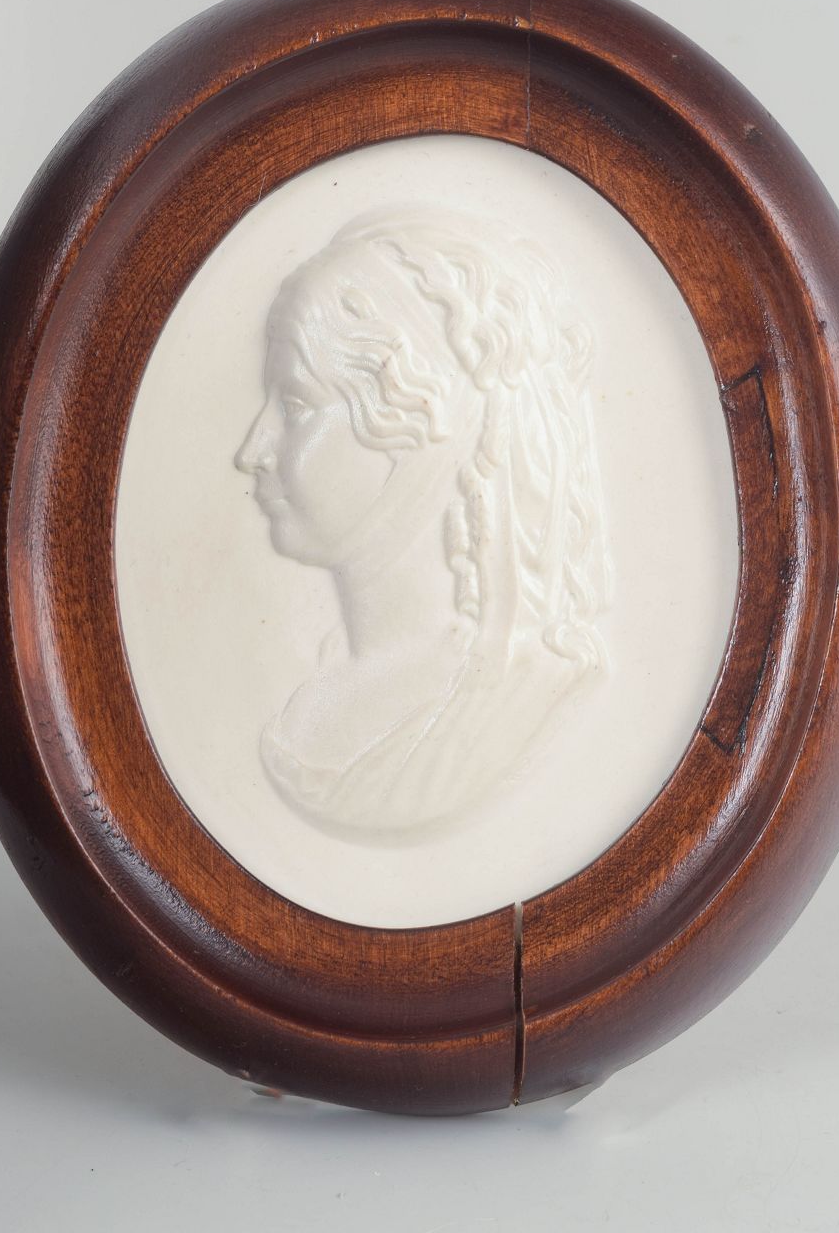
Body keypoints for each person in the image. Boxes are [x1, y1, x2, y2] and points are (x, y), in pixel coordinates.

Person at [235, 205, 610, 836]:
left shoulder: (520, 705)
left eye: (296, 404)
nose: (253, 450)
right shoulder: (319, 686)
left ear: (418, 427)